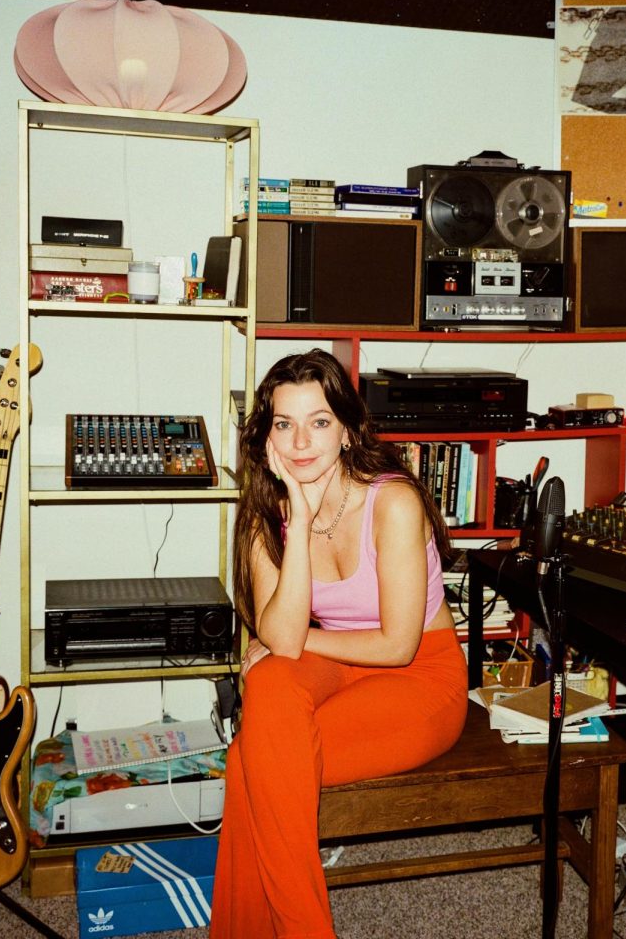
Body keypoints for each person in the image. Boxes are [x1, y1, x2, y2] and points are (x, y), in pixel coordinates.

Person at [209, 349, 468, 939]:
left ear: (348, 431)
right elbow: (280, 640)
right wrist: (298, 522)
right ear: (266, 436)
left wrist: (297, 642)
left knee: (252, 761)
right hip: (334, 663)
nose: (301, 442)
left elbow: (398, 646)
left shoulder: (393, 502)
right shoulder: (267, 511)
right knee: (270, 683)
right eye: (284, 423)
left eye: (319, 422)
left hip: (419, 676)